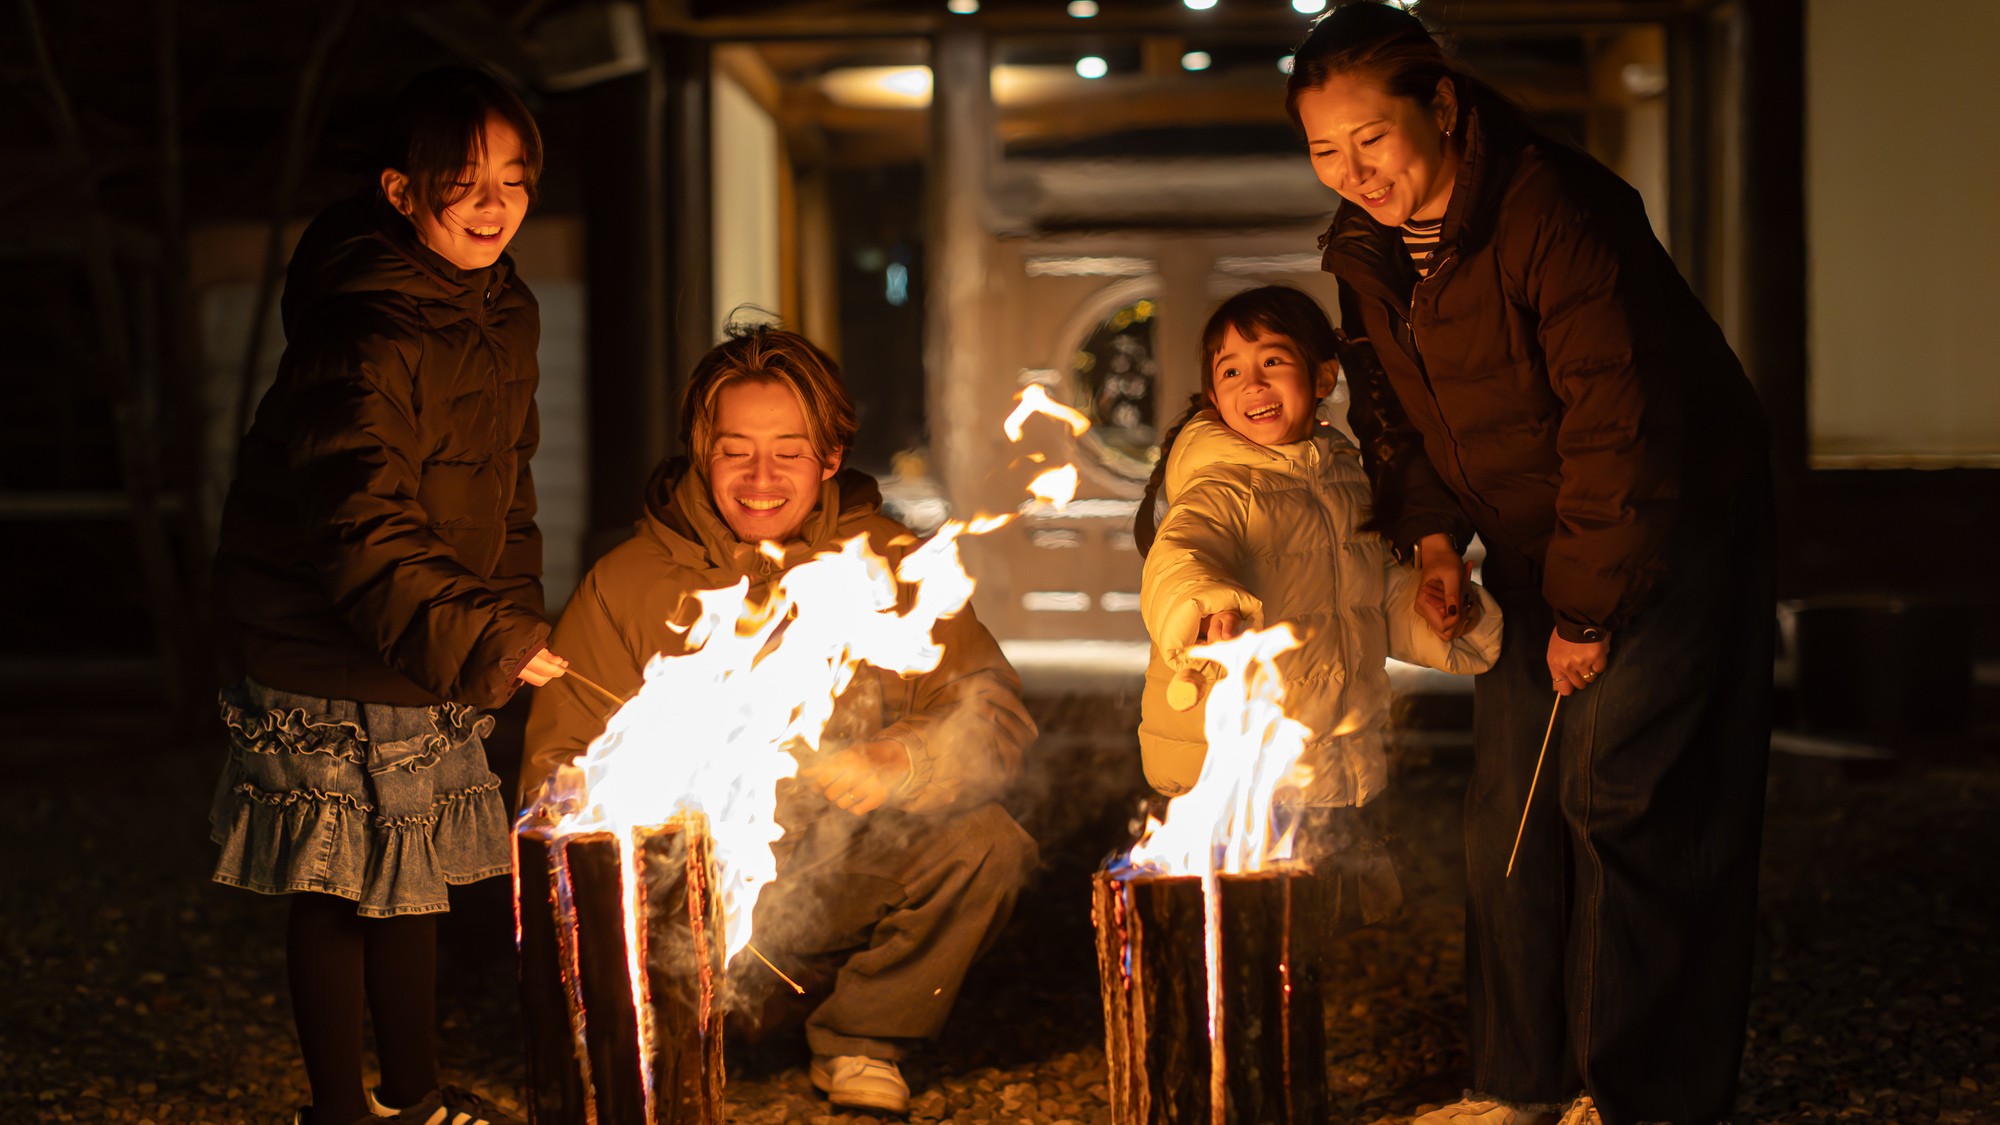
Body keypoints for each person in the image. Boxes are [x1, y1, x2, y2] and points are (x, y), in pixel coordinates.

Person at [1288, 6, 1774, 1125]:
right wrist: (1429, 542)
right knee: (1506, 803)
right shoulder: (1365, 244)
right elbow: (1389, 406)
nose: (1352, 171)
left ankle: (1630, 1093)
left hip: (1660, 519)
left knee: (1613, 793)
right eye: (1323, 149)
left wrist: (1589, 613)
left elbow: (1619, 425)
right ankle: (1515, 1084)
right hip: (1528, 530)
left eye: (1372, 138)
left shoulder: (1557, 212)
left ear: (1442, 108)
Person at [520, 325, 1039, 1117]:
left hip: (827, 900)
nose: (761, 477)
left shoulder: (894, 567)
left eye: (789, 450)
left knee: (989, 844)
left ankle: (864, 1036)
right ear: (703, 452)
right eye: (736, 450)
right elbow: (553, 766)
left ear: (829, 457)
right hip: (678, 920)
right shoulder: (625, 585)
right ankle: (670, 1042)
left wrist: (903, 760)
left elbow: (996, 716)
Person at [209, 67, 565, 1125]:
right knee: (334, 884)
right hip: (319, 641)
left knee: (407, 878)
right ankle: (339, 1110)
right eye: (464, 180)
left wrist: (505, 618)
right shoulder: (363, 331)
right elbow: (355, 519)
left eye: (514, 177)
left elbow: (505, 487)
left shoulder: (503, 311)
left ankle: (413, 1095)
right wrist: (485, 632)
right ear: (401, 193)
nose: (494, 203)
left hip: (423, 633)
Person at [1135, 286, 1501, 848]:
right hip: (1233, 767)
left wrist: (1435, 613)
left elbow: (1367, 595)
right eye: (1230, 372)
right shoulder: (1221, 487)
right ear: (1213, 397)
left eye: (1273, 362)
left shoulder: (1346, 479)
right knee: (1244, 923)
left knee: (1317, 923)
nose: (1253, 383)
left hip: (1330, 760)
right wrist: (1207, 607)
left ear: (1324, 378)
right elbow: (1181, 557)